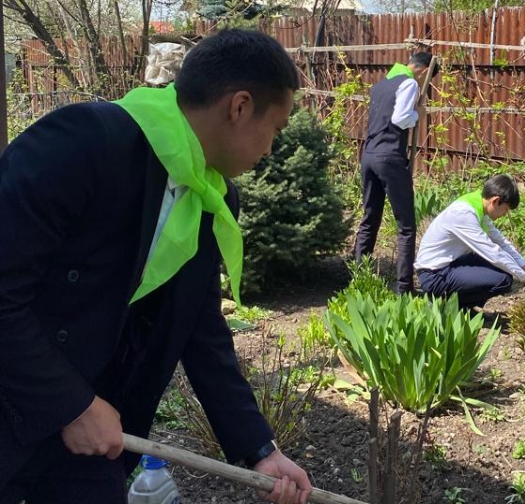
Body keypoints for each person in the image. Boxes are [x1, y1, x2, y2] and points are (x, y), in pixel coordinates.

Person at [0, 29, 313, 504]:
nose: (271, 148)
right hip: (17, 399)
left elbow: (201, 329)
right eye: (277, 127)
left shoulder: (213, 196)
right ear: (240, 106)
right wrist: (70, 405)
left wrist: (259, 449)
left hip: (95, 438)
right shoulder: (82, 143)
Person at [353, 52, 436, 294]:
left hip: (368, 156)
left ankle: (360, 280)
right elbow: (400, 119)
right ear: (421, 71)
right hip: (390, 158)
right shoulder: (409, 82)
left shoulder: (381, 85)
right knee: (406, 226)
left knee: (370, 219)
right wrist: (418, 114)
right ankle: (404, 288)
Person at [414, 174, 525, 311]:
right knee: (502, 280)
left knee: (503, 270)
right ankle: (453, 307)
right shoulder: (464, 214)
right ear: (495, 201)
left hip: (449, 264)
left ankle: (462, 308)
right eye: (506, 209)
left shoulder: (479, 206)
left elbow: (502, 244)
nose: (505, 214)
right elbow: (494, 253)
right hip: (434, 276)